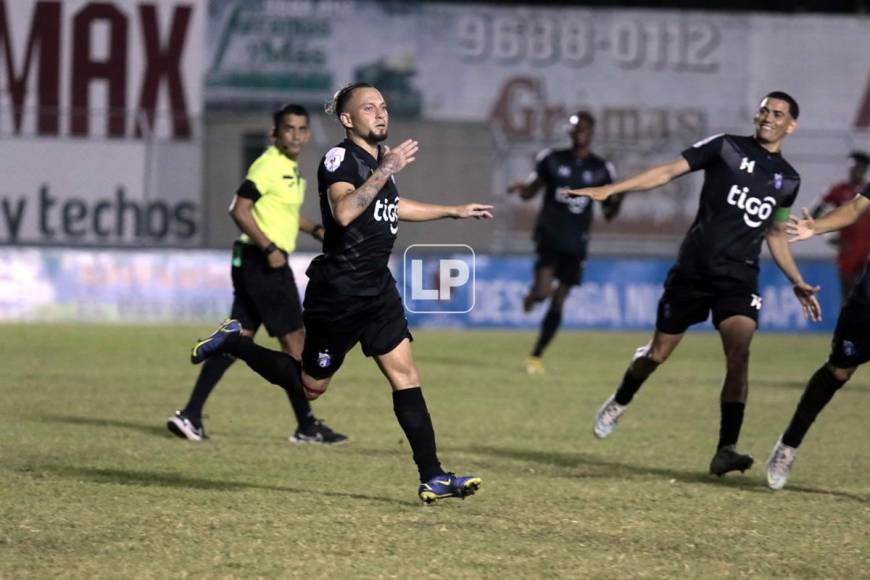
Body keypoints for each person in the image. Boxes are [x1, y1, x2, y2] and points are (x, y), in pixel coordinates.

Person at [188, 83, 493, 503]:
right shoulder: (341, 158)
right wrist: (386, 169)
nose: (381, 114)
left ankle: (433, 475)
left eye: (383, 106)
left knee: (405, 374)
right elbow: (345, 210)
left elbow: (391, 207)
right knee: (311, 386)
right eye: (369, 108)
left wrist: (451, 210)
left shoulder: (374, 163)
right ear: (348, 120)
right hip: (340, 292)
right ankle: (237, 342)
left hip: (376, 288)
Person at [568, 91, 822, 476]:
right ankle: (621, 399)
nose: (768, 117)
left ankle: (726, 448)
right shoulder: (726, 148)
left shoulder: (788, 180)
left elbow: (774, 232)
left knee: (739, 354)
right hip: (693, 270)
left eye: (778, 114)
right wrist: (611, 190)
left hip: (739, 275)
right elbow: (668, 171)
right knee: (656, 355)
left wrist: (797, 280)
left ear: (791, 125)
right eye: (764, 110)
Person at [168, 104, 347, 445]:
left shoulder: (291, 172)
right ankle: (307, 425)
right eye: (288, 129)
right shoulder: (268, 165)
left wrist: (315, 230)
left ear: (307, 134)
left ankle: (190, 415)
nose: (295, 135)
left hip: (255, 262)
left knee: (237, 339)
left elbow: (283, 212)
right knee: (297, 345)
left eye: (301, 129)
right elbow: (239, 208)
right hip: (263, 263)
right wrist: (268, 248)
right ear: (274, 134)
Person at [766, 183, 870, 490]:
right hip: (868, 301)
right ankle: (789, 444)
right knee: (838, 371)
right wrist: (817, 227)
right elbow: (853, 209)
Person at [508, 111, 623, 375]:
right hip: (550, 235)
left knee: (559, 300)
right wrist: (519, 189)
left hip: (577, 243)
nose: (580, 132)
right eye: (576, 128)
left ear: (592, 131)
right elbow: (531, 191)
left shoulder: (602, 169)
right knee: (543, 293)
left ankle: (536, 356)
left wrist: (620, 198)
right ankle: (533, 295)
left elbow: (608, 213)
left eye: (584, 128)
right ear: (570, 132)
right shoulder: (552, 159)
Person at [810, 151, 870, 302]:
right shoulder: (837, 190)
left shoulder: (867, 190)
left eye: (858, 167)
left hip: (868, 250)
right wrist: (826, 236)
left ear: (865, 169)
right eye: (852, 167)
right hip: (848, 250)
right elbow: (812, 216)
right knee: (848, 298)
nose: (854, 171)